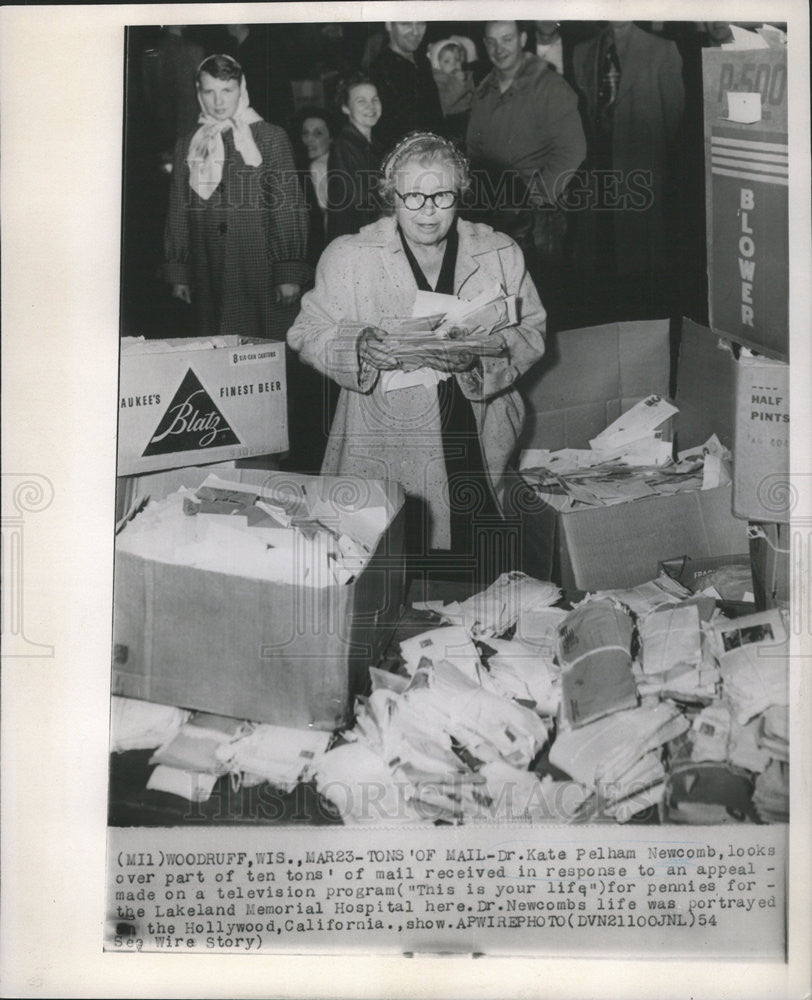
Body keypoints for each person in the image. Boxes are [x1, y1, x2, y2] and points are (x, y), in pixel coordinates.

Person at [287, 132, 546, 579]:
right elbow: (305, 332)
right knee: (395, 567)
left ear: (459, 193)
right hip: (386, 437)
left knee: (481, 568)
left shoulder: (499, 252)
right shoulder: (350, 256)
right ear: (392, 196)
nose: (428, 209)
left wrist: (477, 359)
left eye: (441, 194)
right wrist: (357, 346)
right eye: (413, 196)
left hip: (474, 431)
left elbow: (532, 330)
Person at [163, 54, 309, 340]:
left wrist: (288, 271)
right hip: (208, 272)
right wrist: (179, 270)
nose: (218, 101)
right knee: (218, 355)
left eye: (227, 90)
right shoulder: (189, 144)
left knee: (262, 355)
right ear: (199, 93)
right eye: (210, 91)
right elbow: (178, 210)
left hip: (260, 272)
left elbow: (287, 207)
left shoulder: (269, 137)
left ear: (241, 89)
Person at [466, 20, 586, 327]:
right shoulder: (484, 88)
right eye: (491, 41)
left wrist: (536, 197)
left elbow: (572, 150)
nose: (498, 48)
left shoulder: (549, 86)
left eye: (506, 39)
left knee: (542, 299)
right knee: (503, 299)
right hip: (494, 213)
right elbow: (474, 150)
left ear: (522, 39)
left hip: (537, 218)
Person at [571, 22, 685, 320]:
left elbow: (674, 120)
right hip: (596, 177)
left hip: (639, 174)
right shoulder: (582, 51)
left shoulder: (662, 50)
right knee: (598, 265)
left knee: (638, 270)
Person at [326, 74, 384, 241]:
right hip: (354, 238)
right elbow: (359, 202)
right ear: (345, 108)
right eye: (361, 101)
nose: (371, 106)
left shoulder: (375, 145)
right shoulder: (344, 146)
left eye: (375, 99)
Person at [370, 22, 445, 150]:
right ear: (389, 25)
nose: (415, 32)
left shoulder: (423, 60)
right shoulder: (381, 71)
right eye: (406, 24)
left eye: (420, 24)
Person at [427, 36, 477, 144]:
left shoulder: (463, 76)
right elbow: (446, 102)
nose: (454, 64)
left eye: (457, 59)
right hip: (452, 121)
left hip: (469, 116)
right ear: (437, 64)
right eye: (447, 61)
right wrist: (458, 82)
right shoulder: (438, 81)